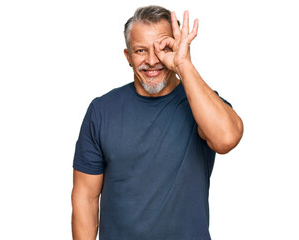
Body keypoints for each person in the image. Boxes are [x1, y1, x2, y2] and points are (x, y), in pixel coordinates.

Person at [71, 5, 243, 240]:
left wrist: (183, 64)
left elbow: (226, 139)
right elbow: (85, 198)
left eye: (163, 49)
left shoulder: (200, 104)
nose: (152, 61)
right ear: (128, 57)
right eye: (141, 50)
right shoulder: (101, 111)